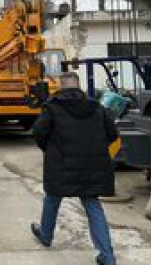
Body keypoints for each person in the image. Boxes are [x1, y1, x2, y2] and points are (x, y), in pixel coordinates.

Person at [30, 72, 119, 265]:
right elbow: (112, 133)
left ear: (61, 86)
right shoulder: (97, 107)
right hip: (91, 167)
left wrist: (50, 150)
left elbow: (38, 132)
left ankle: (45, 235)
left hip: (61, 166)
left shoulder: (52, 107)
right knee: (93, 205)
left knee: (52, 198)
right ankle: (107, 257)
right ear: (79, 86)